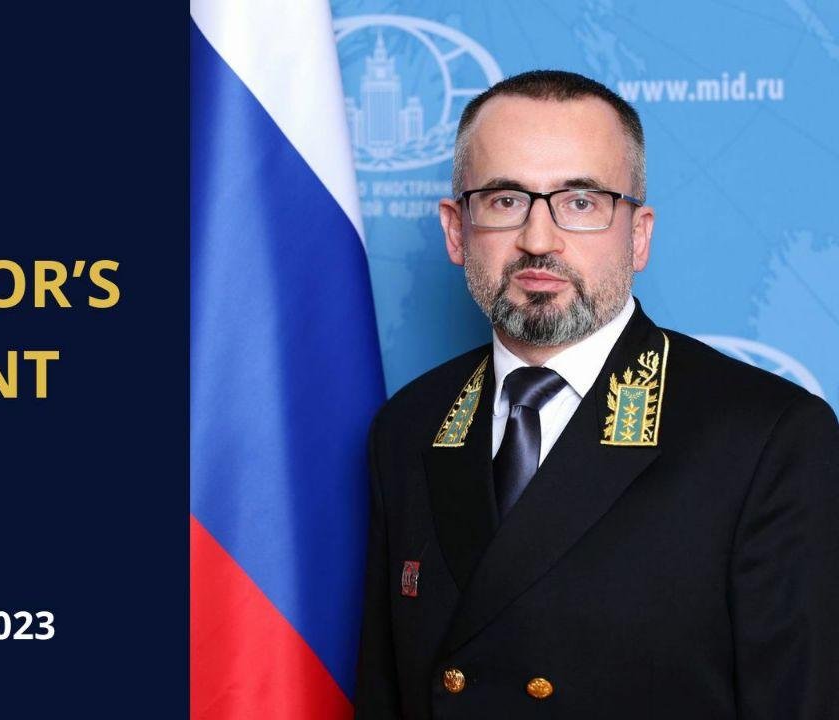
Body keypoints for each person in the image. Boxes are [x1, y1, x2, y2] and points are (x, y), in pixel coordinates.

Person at [355, 70, 839, 718]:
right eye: (505, 200)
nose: (538, 240)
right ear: (455, 229)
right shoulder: (408, 427)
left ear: (638, 235)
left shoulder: (765, 438)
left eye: (580, 202)